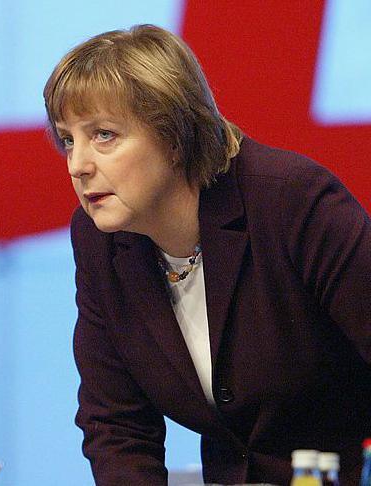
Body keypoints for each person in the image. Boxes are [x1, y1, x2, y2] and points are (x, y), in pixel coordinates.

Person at [43, 24, 371, 485]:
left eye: (104, 135)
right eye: (68, 139)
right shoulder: (101, 241)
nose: (78, 165)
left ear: (174, 137)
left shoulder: (292, 202)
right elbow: (117, 426)